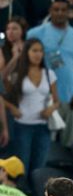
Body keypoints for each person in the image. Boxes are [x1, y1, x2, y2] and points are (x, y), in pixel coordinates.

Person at [27, 0, 73, 148]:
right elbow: (27, 65)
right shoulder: (35, 33)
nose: (60, 13)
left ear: (69, 12)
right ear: (50, 10)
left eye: (63, 10)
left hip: (71, 96)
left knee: (72, 143)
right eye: (56, 10)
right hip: (44, 98)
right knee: (46, 143)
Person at [3, 39, 56, 176]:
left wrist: (51, 109)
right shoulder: (19, 74)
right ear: (27, 53)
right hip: (23, 126)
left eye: (40, 51)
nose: (38, 54)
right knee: (22, 167)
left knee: (39, 167)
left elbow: (57, 101)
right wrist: (16, 57)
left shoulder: (49, 74)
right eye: (34, 51)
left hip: (43, 126)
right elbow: (3, 81)